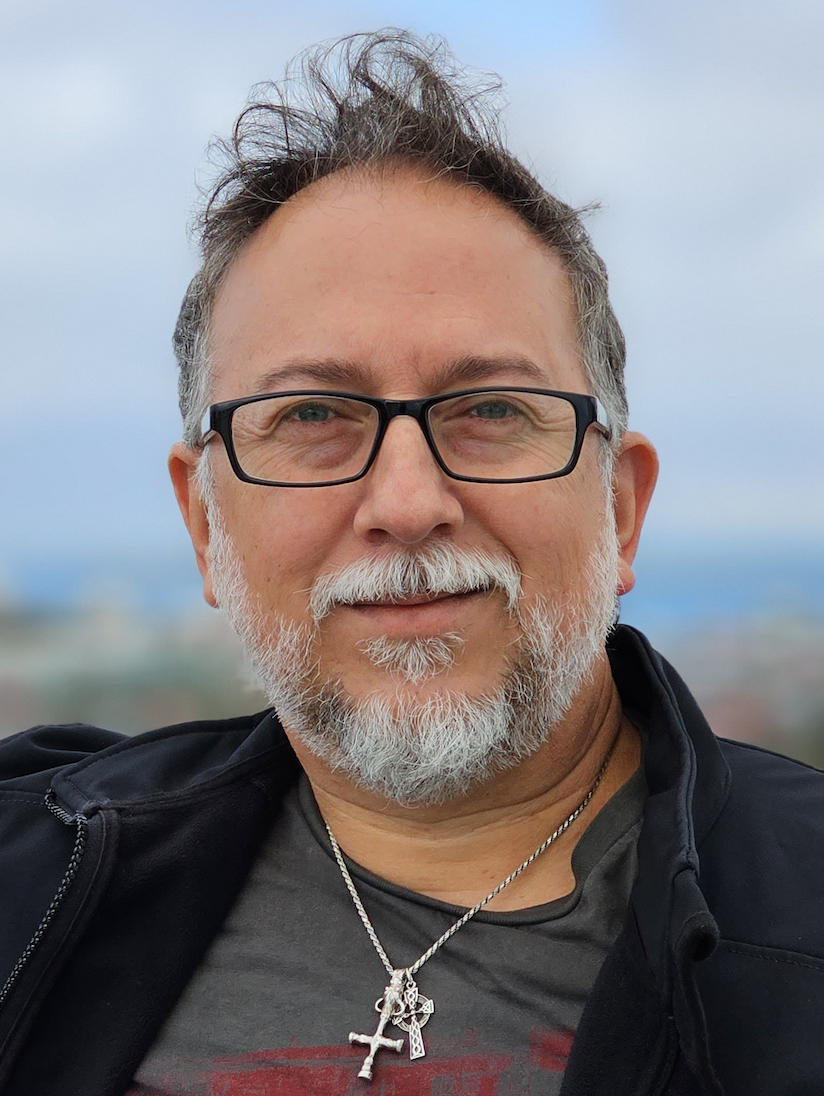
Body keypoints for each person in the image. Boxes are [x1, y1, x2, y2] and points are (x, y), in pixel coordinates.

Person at [1, 30, 823, 1096]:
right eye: (310, 414)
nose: (405, 504)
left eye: (488, 409)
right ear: (204, 525)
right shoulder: (32, 873)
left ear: (618, 511)